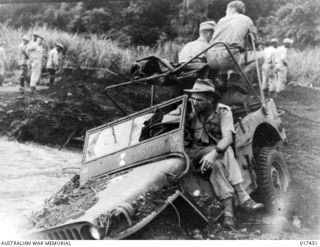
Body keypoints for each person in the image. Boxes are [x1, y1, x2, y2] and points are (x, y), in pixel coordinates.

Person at [163, 79, 264, 230]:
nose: (195, 103)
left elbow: (228, 137)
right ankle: (242, 195)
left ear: (210, 99)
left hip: (214, 155)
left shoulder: (223, 111)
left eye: (199, 100)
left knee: (219, 159)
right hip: (194, 154)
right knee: (223, 152)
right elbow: (165, 119)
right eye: (193, 99)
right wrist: (184, 115)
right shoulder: (188, 108)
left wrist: (213, 154)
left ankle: (229, 214)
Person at [207, 1, 262, 82]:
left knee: (228, 50)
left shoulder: (221, 20)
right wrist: (259, 50)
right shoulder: (246, 19)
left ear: (232, 10)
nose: (225, 12)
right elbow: (255, 42)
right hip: (228, 59)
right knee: (262, 56)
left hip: (211, 59)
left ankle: (223, 78)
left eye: (226, 10)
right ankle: (236, 76)